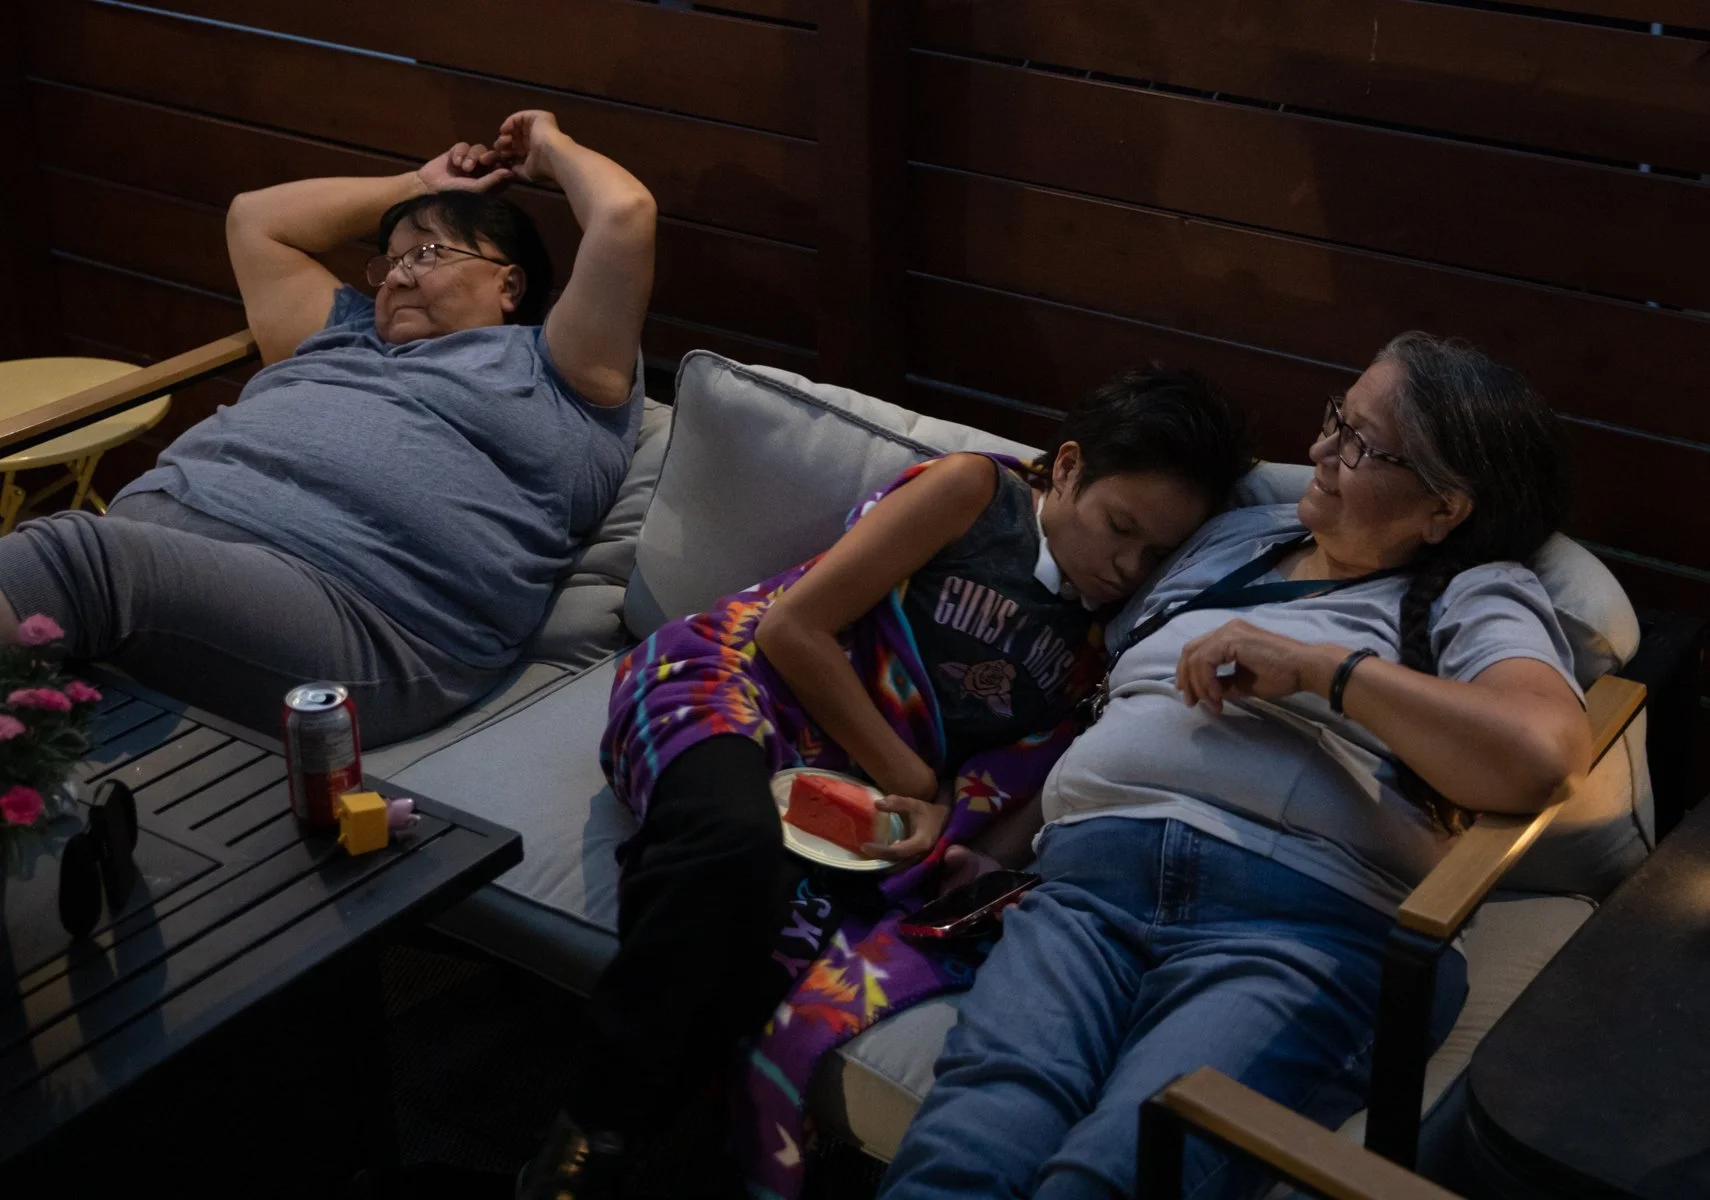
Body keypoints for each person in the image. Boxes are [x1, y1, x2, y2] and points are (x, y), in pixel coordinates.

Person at [878, 333, 1593, 1200]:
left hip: (1293, 927)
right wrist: (1002, 849)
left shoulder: (1474, 592)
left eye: (1361, 445)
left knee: (1117, 1171)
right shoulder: (1230, 537)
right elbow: (1117, 706)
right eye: (1339, 417)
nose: (1322, 451)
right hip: (1085, 894)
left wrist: (1327, 672)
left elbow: (1539, 754)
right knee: (968, 1144)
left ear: (1442, 510)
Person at [511, 368, 1249, 1199]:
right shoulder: (976, 493)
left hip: (855, 790)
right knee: (731, 845)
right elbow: (796, 627)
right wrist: (913, 778)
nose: (1127, 564)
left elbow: (1039, 768)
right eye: (1121, 527)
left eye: (1156, 553)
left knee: (779, 949)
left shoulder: (1105, 636)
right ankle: (587, 1136)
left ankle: (652, 1160)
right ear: (1069, 468)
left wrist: (976, 856)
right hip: (738, 685)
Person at [0, 110, 654, 745]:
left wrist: (548, 145)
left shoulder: (559, 367)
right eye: (389, 261)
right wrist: (418, 188)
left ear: (509, 284)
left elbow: (624, 216)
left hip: (372, 620)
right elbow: (255, 220)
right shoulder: (346, 333)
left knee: (71, 560)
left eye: (424, 253)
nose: (396, 275)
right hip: (180, 561)